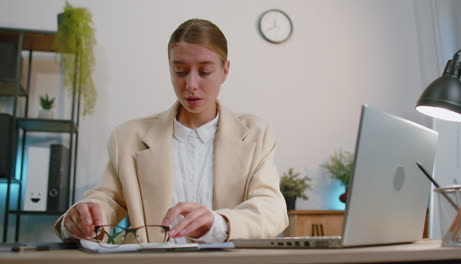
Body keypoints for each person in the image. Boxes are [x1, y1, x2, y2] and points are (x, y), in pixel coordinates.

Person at [54, 18, 288, 244]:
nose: (191, 84)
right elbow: (107, 200)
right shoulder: (128, 138)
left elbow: (272, 209)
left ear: (225, 70)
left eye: (205, 72)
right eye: (180, 71)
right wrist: (83, 219)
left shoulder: (257, 134)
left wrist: (218, 223)